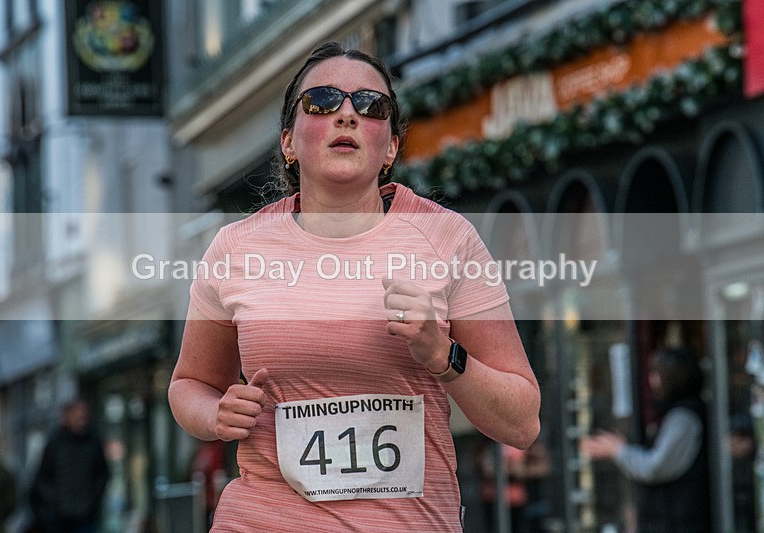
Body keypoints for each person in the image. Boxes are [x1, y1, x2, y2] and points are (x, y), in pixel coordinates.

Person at [168, 41, 540, 532]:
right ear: (288, 142)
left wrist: (443, 355)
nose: (347, 114)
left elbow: (522, 422)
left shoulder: (448, 239)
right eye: (322, 101)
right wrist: (215, 413)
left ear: (390, 148)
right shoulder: (236, 249)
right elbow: (188, 386)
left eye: (370, 106)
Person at [580, 347, 710, 533]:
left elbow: (656, 467)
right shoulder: (676, 413)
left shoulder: (684, 418)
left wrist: (618, 451)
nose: (652, 381)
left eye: (657, 374)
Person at [30, 398, 109, 533]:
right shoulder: (55, 444)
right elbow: (42, 478)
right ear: (67, 417)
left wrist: (91, 499)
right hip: (58, 517)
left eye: (83, 415)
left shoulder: (93, 442)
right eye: (77, 415)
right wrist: (54, 501)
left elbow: (102, 474)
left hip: (85, 515)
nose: (81, 419)